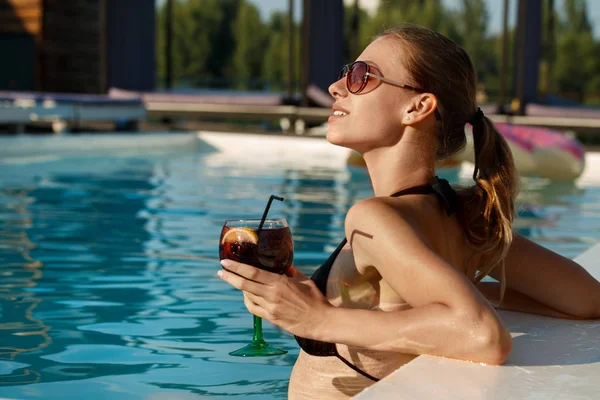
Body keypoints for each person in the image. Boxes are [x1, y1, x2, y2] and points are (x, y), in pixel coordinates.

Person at [217, 25, 600, 399]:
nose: (336, 87)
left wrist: (320, 319)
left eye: (361, 76)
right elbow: (586, 298)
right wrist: (473, 291)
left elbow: (485, 338)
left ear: (417, 107)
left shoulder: (374, 218)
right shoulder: (465, 218)